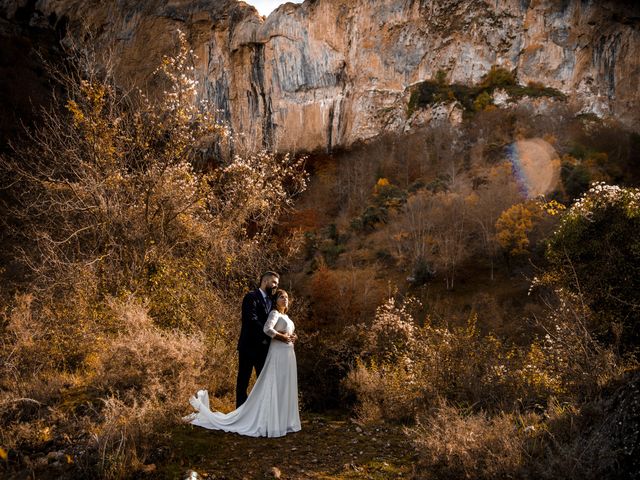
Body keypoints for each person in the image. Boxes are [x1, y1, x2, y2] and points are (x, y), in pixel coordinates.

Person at [185, 289, 301, 438]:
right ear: (275, 301)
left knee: (285, 385)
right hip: (278, 353)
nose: (284, 299)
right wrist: (281, 338)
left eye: (286, 297)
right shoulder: (274, 313)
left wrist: (293, 337)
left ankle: (284, 421)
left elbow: (287, 332)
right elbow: (267, 329)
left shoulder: (286, 316)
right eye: (280, 297)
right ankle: (269, 420)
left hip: (288, 355)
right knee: (273, 384)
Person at [236, 271, 280, 408]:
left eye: (277, 284)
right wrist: (269, 333)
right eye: (274, 282)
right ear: (265, 281)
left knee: (264, 381)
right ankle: (240, 413)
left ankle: (260, 413)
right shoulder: (251, 297)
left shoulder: (273, 301)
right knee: (243, 381)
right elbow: (251, 320)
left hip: (264, 348)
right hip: (248, 347)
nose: (275, 286)